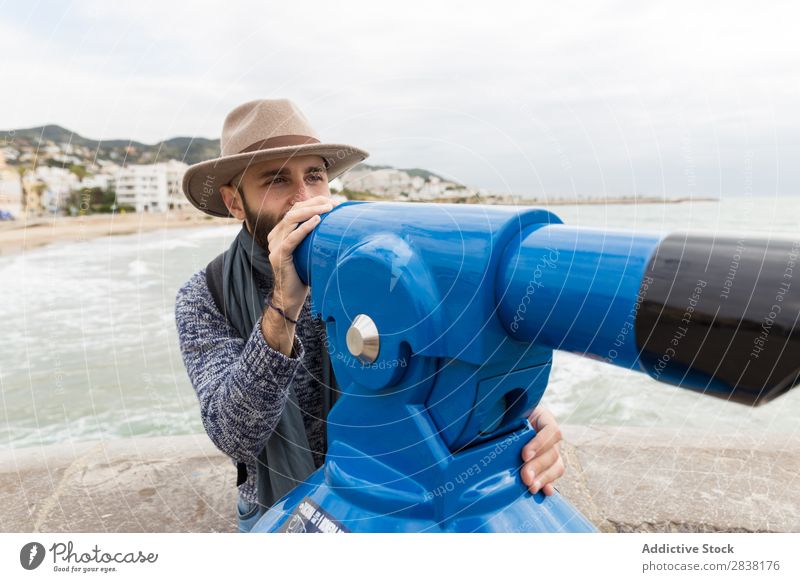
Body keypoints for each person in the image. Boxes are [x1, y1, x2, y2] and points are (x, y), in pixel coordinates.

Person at [175, 99, 566, 532]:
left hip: (388, 495)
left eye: (314, 176)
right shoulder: (205, 295)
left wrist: (515, 417)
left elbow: (439, 350)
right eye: (276, 180)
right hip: (275, 507)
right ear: (234, 202)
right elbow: (235, 434)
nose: (304, 199)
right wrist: (283, 305)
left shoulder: (367, 257)